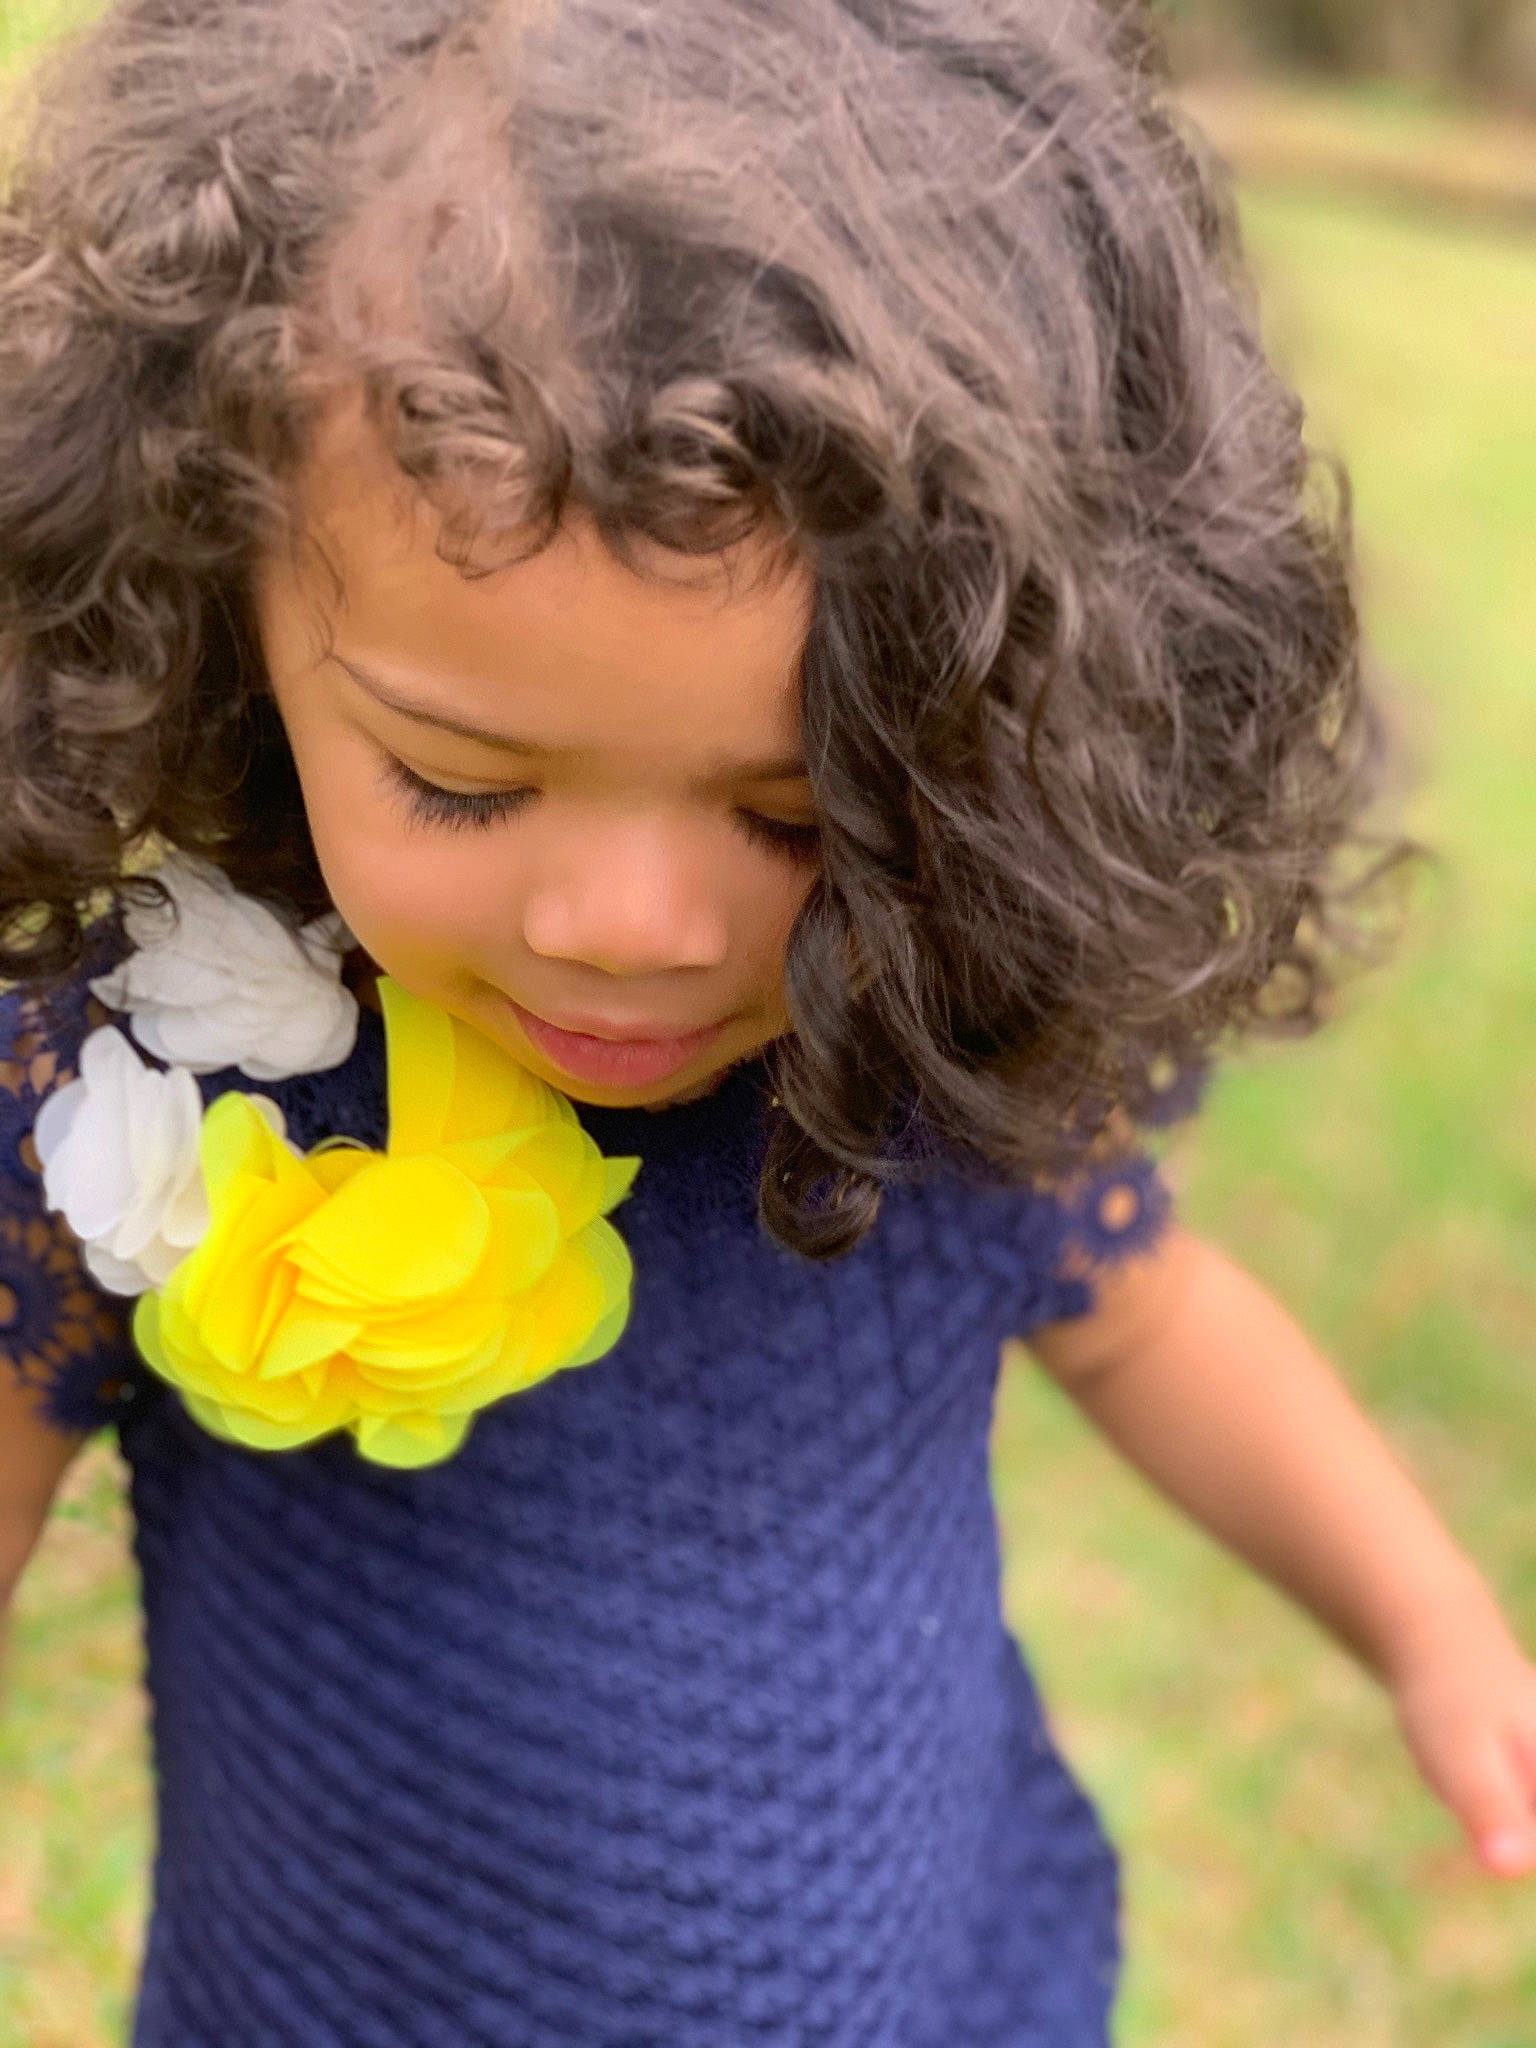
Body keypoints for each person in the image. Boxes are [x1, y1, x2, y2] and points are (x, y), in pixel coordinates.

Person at [1, 0, 1532, 2040]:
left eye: (799, 811)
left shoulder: (921, 1023)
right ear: (222, 593)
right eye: (461, 782)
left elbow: (1146, 1309)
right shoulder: (151, 1089)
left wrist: (1431, 1619)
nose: (628, 926)